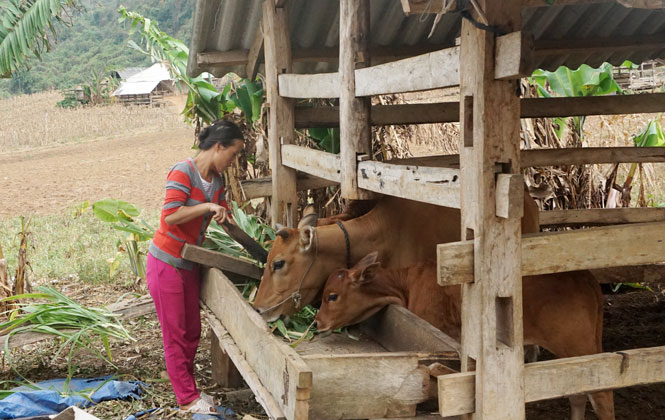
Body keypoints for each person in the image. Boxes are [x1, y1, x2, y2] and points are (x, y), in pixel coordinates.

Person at [146, 119, 244, 414]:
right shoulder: (183, 171)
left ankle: (188, 388)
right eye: (234, 153)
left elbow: (221, 212)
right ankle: (187, 399)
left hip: (190, 261)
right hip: (165, 263)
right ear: (218, 147)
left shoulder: (217, 182)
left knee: (192, 330)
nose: (234, 160)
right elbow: (171, 216)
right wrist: (207, 207)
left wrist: (228, 221)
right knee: (175, 332)